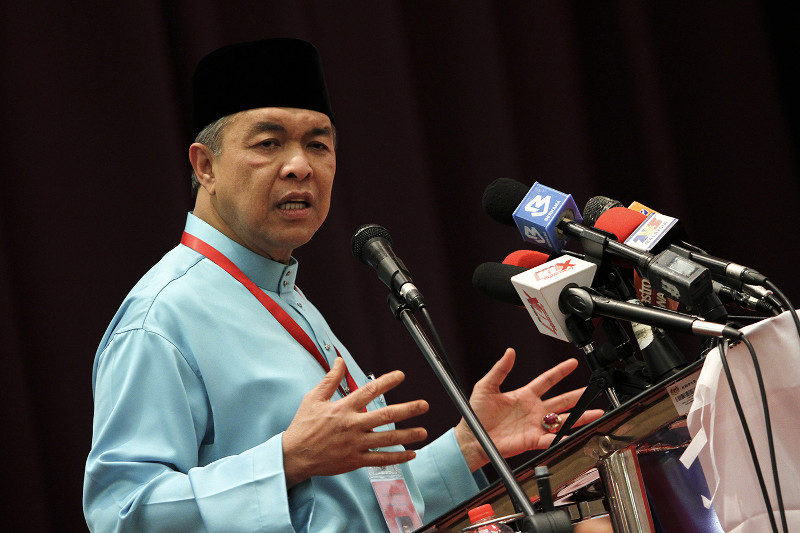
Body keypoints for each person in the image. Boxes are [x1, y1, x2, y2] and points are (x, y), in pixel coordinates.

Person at [83, 38, 602, 532]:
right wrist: (286, 460)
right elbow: (119, 512)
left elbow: (354, 509)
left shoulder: (283, 296)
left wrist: (469, 445)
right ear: (205, 165)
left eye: (318, 144)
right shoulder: (162, 317)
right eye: (269, 143)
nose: (299, 166)